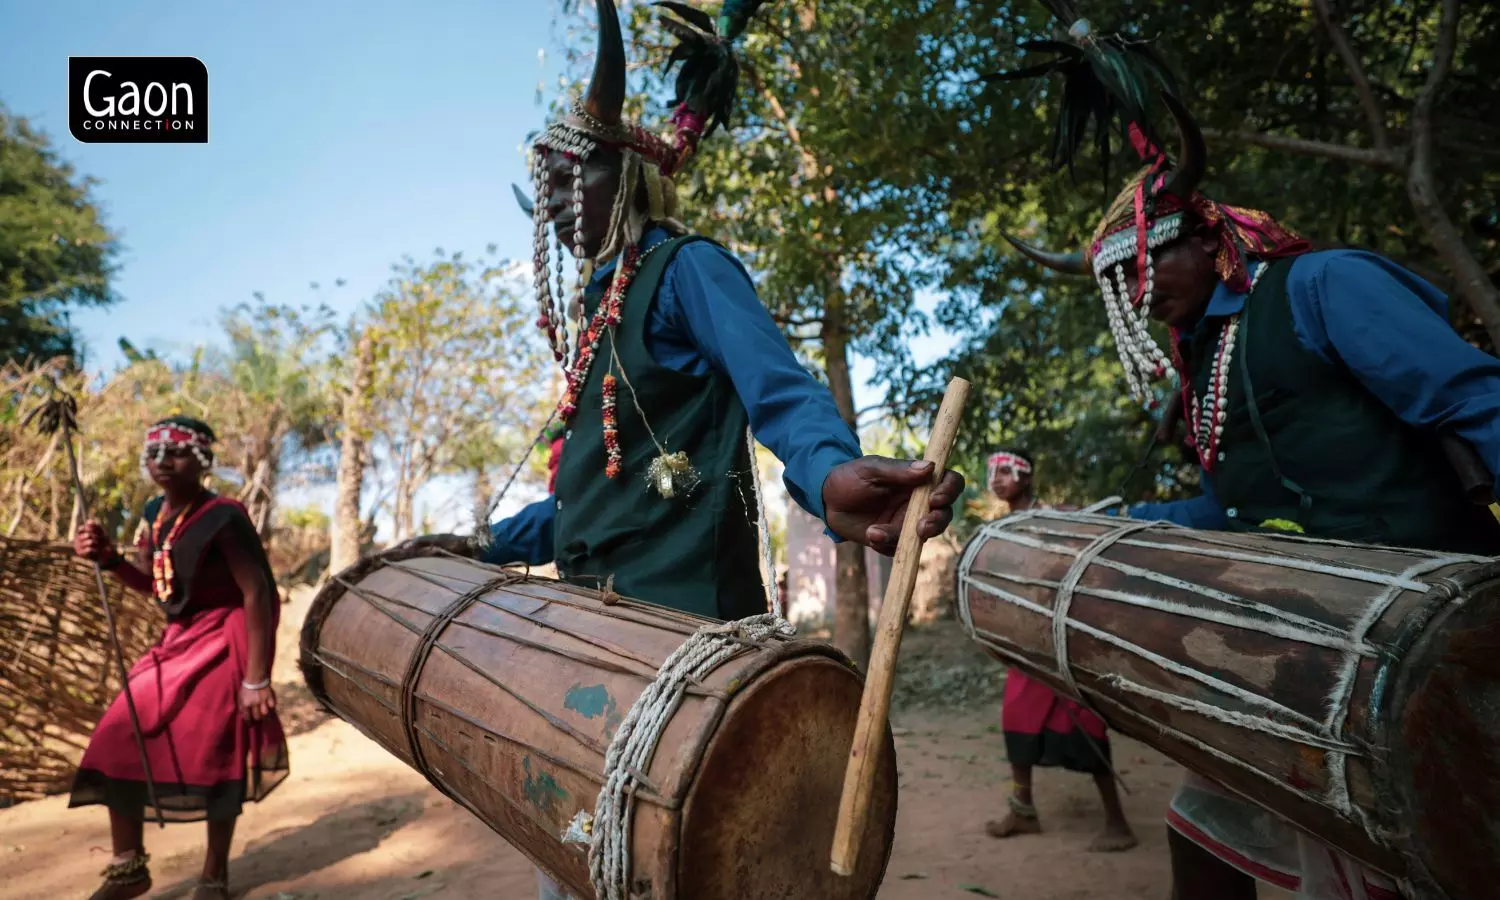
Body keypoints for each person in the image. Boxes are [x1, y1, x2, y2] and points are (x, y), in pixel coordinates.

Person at [408, 4, 964, 898]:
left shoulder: (687, 270)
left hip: (681, 646)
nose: (549, 204)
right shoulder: (594, 321)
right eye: (542, 186)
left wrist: (825, 473)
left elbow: (780, 394)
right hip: (589, 639)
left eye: (568, 177)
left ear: (624, 174)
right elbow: (590, 503)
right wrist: (480, 545)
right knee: (580, 860)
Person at [999, 20, 1500, 896]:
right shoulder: (1208, 371)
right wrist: (1101, 526)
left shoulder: (1322, 287)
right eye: (1127, 286)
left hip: (1435, 622)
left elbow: (1475, 401)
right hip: (1315, 640)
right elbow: (1222, 512)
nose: (1144, 298)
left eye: (1150, 268)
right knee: (1200, 824)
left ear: (1207, 237)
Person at [71, 416, 288, 900]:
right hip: (179, 639)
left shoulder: (224, 515)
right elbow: (156, 586)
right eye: (154, 453)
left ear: (204, 460)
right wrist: (107, 558)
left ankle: (214, 875)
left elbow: (257, 592)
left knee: (217, 750)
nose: (163, 462)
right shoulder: (154, 514)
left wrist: (256, 677)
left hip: (226, 637)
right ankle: (129, 870)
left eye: (177, 452)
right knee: (118, 731)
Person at [982, 449, 1136, 852]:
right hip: (1025, 642)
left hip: (1061, 639)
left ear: (1027, 477)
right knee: (1016, 717)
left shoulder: (1055, 519)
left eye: (1005, 471)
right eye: (992, 472)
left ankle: (1118, 823)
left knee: (1086, 724)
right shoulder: (1001, 529)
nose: (996, 478)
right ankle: (1023, 809)